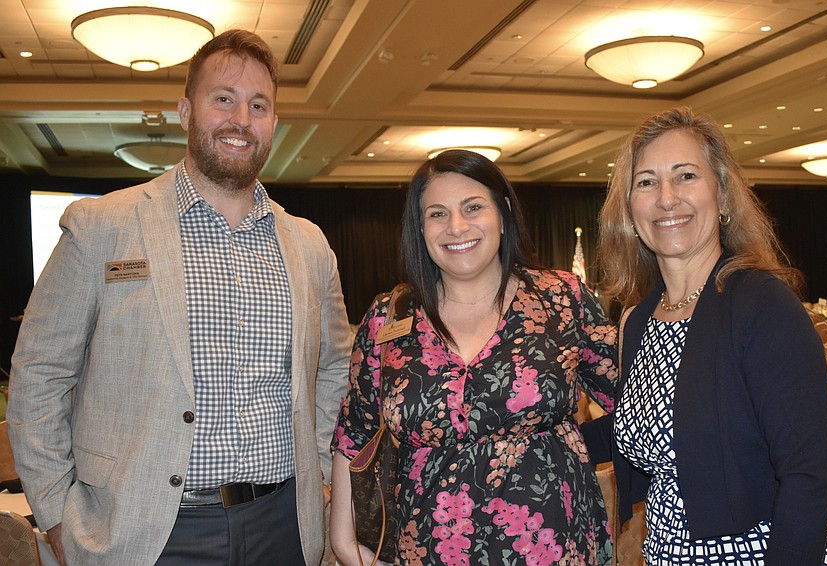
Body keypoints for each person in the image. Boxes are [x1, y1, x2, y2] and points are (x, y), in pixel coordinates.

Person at [7, 30, 352, 566]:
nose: (241, 118)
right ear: (185, 111)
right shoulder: (101, 227)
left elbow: (333, 370)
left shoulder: (309, 246)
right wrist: (55, 515)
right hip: (143, 535)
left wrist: (322, 473)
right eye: (223, 99)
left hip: (283, 526)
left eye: (258, 105)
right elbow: (38, 374)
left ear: (274, 123)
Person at [329, 149, 619, 565]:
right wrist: (344, 540)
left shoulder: (561, 298)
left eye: (473, 207)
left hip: (553, 546)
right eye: (437, 214)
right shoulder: (388, 317)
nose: (456, 227)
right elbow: (355, 429)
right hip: (426, 550)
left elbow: (634, 401)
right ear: (420, 227)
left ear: (502, 212)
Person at [582, 107, 827, 564]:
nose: (666, 198)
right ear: (628, 210)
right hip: (665, 554)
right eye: (646, 182)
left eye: (685, 176)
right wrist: (519, 439)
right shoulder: (640, 320)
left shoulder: (762, 304)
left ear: (722, 197)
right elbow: (647, 426)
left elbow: (807, 477)